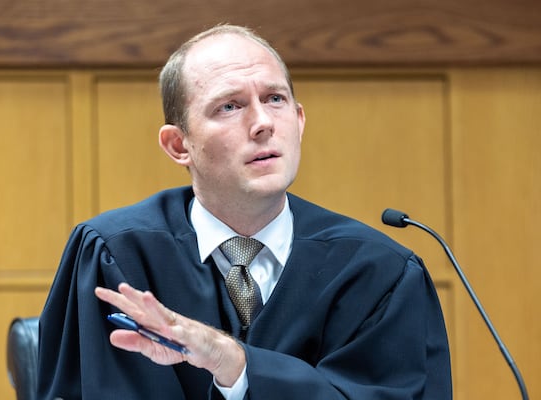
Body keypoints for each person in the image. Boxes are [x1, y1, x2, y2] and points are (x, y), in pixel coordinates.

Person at [37, 24, 452, 399]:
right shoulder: (117, 256)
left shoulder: (379, 273)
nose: (262, 123)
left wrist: (234, 363)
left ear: (300, 120)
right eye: (229, 107)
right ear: (179, 145)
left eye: (275, 99)